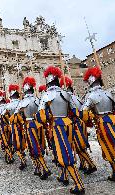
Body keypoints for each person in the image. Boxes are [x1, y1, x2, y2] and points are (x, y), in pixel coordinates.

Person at [37, 66, 84, 194]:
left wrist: (49, 117)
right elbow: (75, 112)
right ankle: (64, 175)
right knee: (64, 150)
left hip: (57, 125)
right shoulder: (66, 94)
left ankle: (78, 184)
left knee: (64, 153)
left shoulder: (46, 95)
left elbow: (41, 117)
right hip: (68, 124)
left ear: (47, 81)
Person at [14, 76, 50, 180]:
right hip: (39, 125)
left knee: (34, 148)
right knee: (40, 146)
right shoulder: (38, 99)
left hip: (29, 126)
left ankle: (44, 168)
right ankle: (37, 168)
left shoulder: (22, 102)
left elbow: (17, 116)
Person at [60, 76, 97, 175]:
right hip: (81, 123)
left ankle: (90, 164)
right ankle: (83, 164)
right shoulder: (77, 98)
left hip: (74, 124)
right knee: (81, 146)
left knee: (78, 146)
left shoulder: (66, 98)